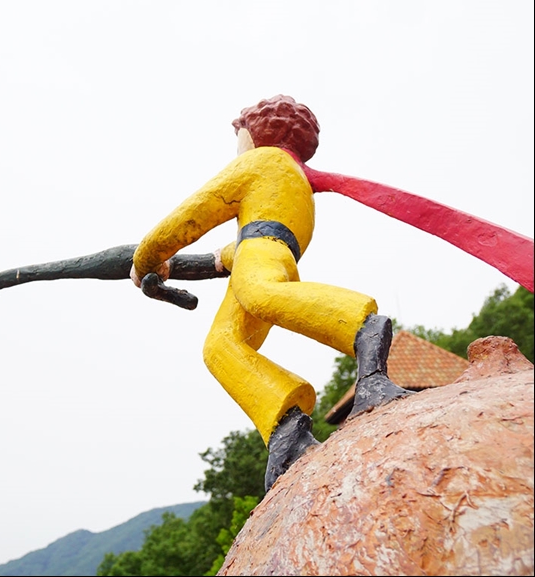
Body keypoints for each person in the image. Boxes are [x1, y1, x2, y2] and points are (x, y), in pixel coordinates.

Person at [130, 95, 411, 491]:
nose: (237, 146)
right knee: (221, 345)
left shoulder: (261, 161)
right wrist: (172, 267)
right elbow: (243, 244)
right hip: (264, 253)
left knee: (261, 293)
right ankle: (286, 424)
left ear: (256, 133)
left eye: (239, 135)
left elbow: (189, 217)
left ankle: (363, 328)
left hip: (261, 258)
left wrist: (145, 258)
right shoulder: (292, 177)